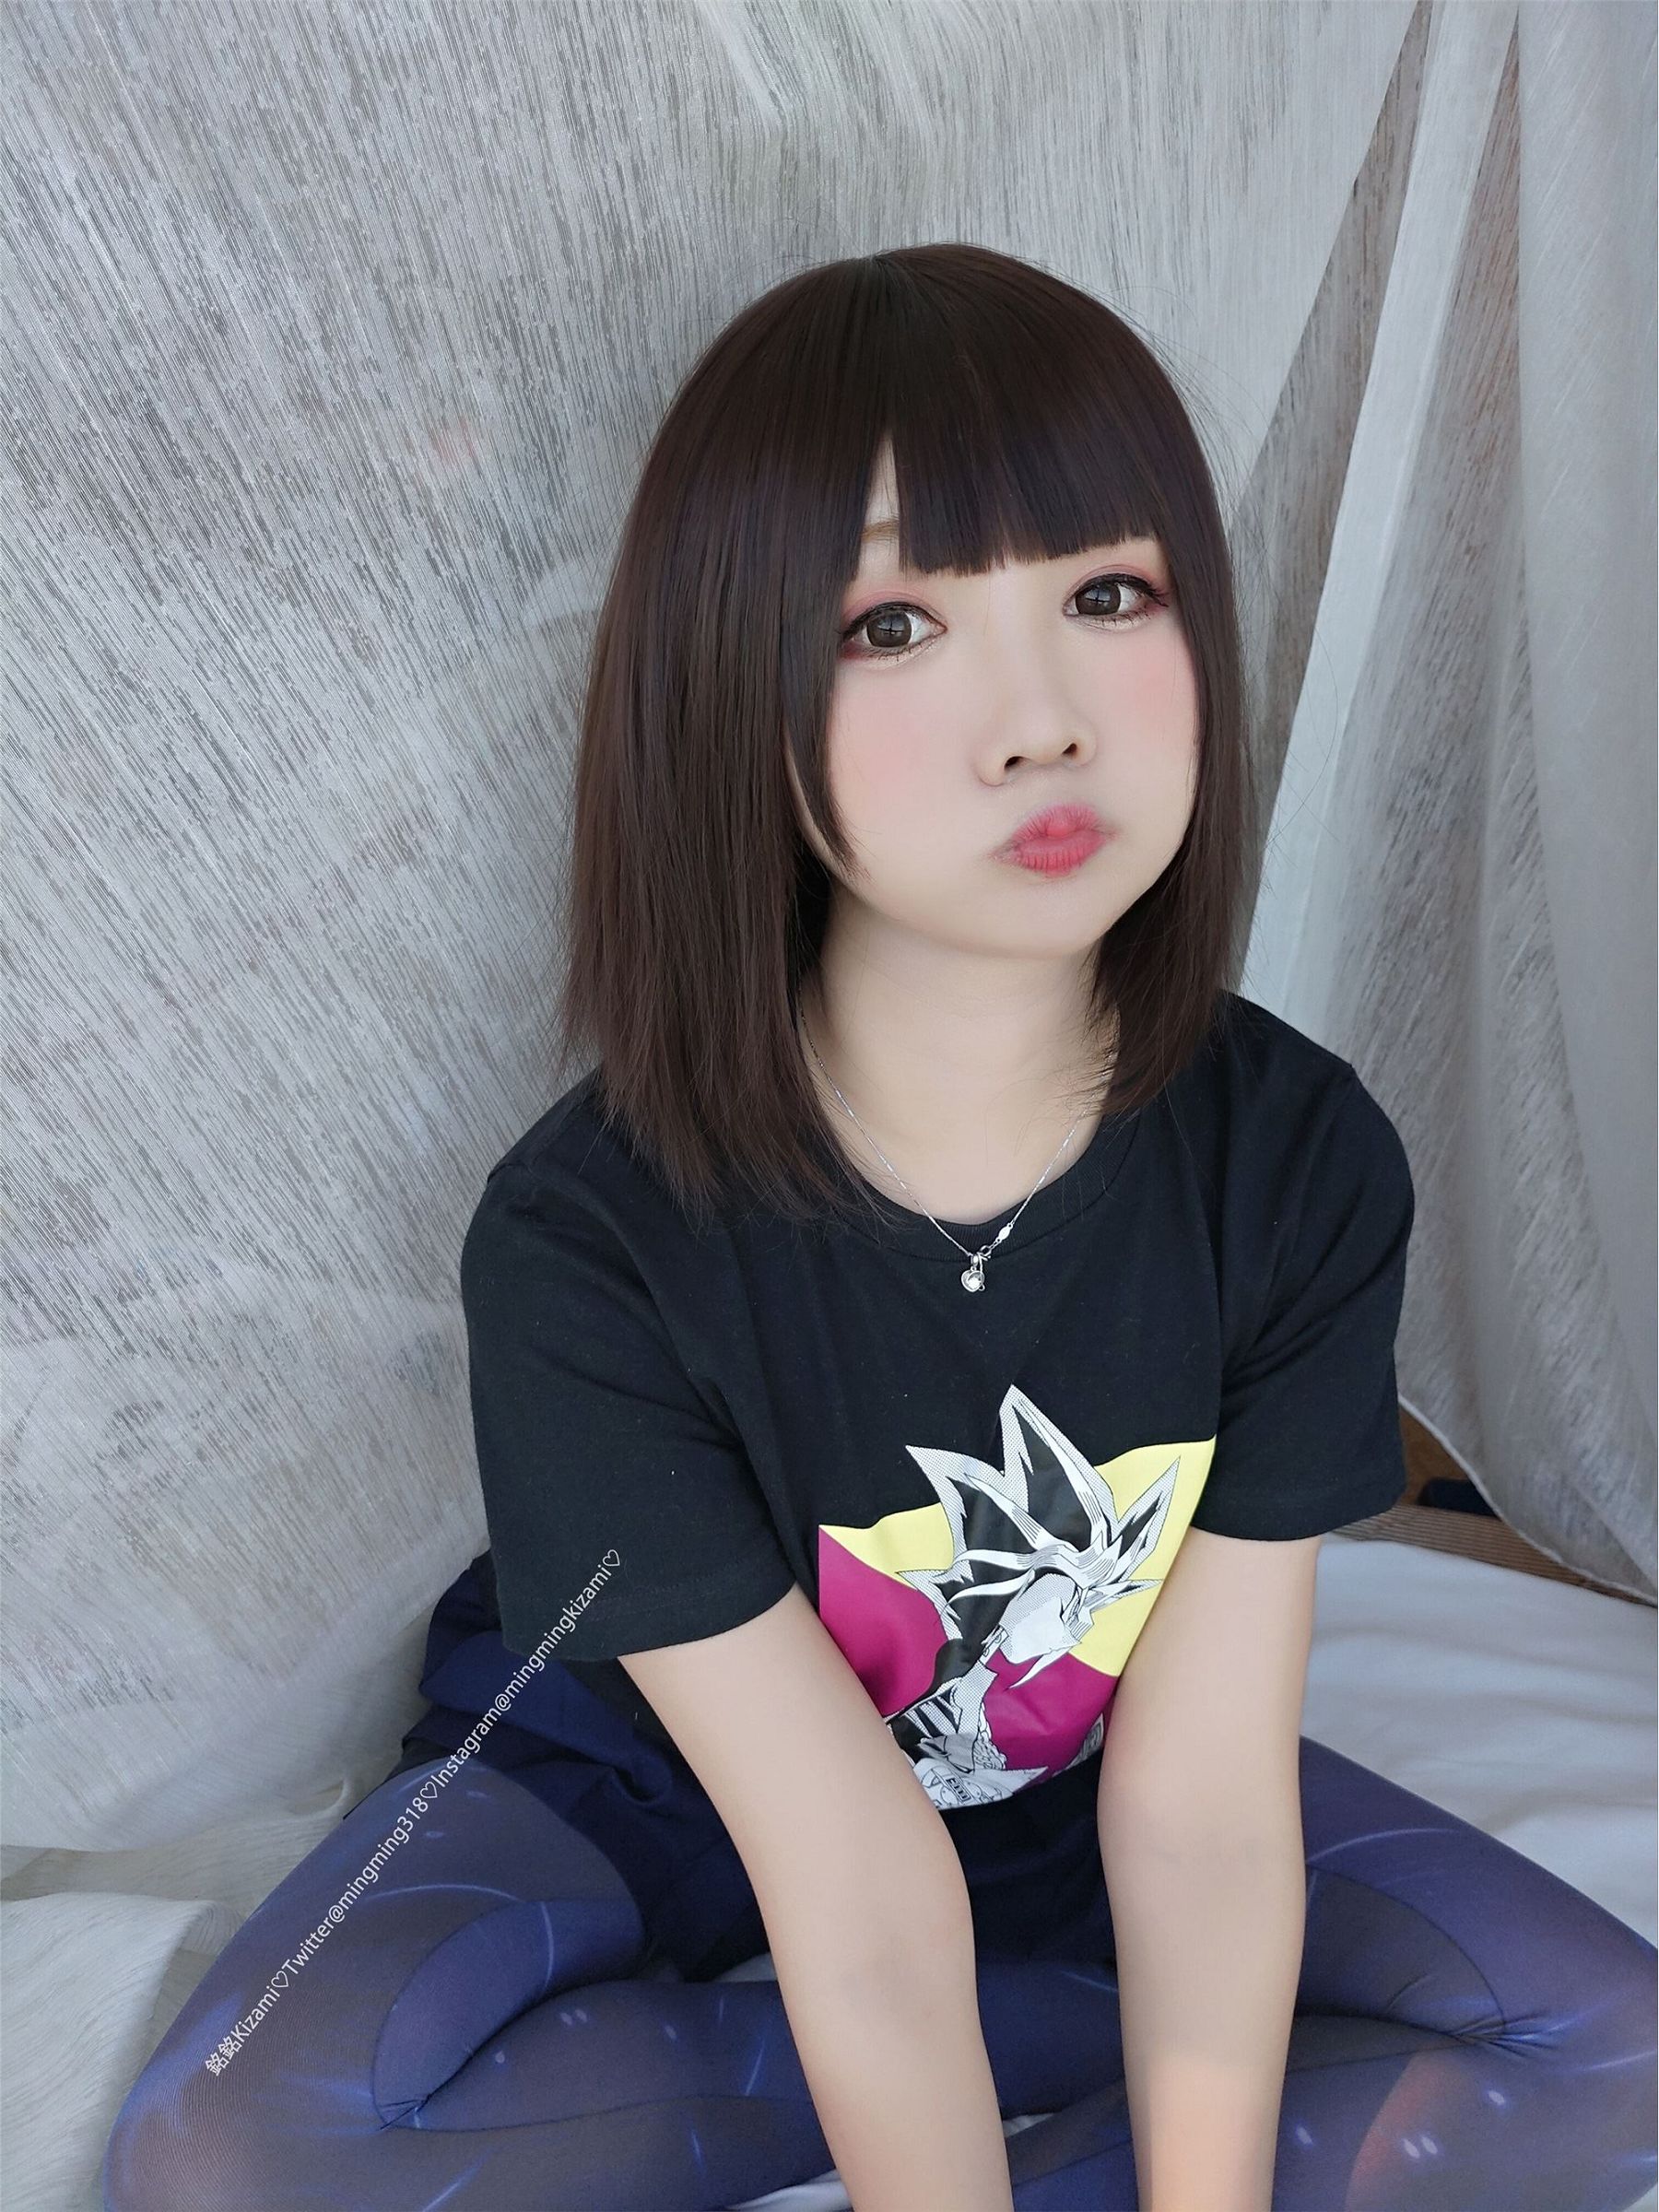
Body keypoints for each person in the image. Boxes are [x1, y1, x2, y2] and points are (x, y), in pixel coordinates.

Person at [103, 243, 1657, 2212]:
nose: (1041, 722)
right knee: (232, 2145)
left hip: (1065, 1782)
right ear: (733, 693)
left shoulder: (1298, 1161)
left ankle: (877, 2061)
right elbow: (844, 1874)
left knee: (1618, 2049)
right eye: (898, 624)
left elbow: (1198, 1811)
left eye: (1109, 595)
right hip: (635, 1776)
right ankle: (1021, 2042)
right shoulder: (588, 1240)